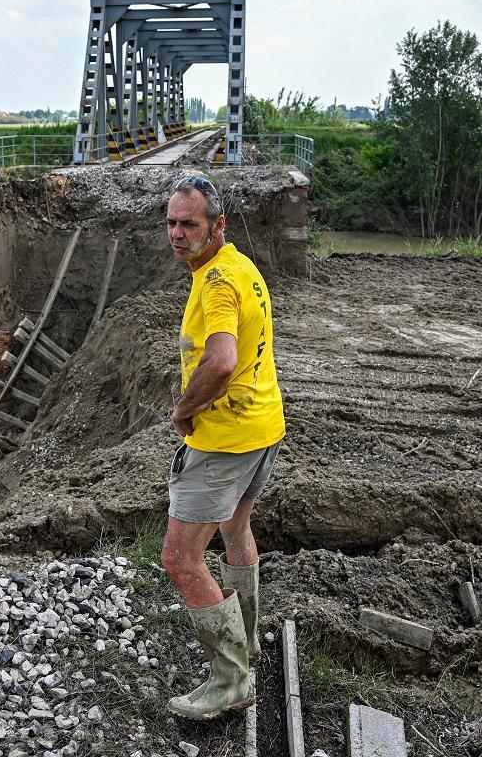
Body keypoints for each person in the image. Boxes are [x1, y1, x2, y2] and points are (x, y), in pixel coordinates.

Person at [161, 175, 285, 720]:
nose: (178, 234)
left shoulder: (214, 284)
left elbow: (223, 360)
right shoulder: (240, 266)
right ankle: (249, 642)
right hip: (261, 427)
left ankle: (231, 679)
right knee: (236, 531)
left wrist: (184, 409)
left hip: (225, 440)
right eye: (171, 223)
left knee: (180, 558)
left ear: (217, 225)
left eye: (190, 224)